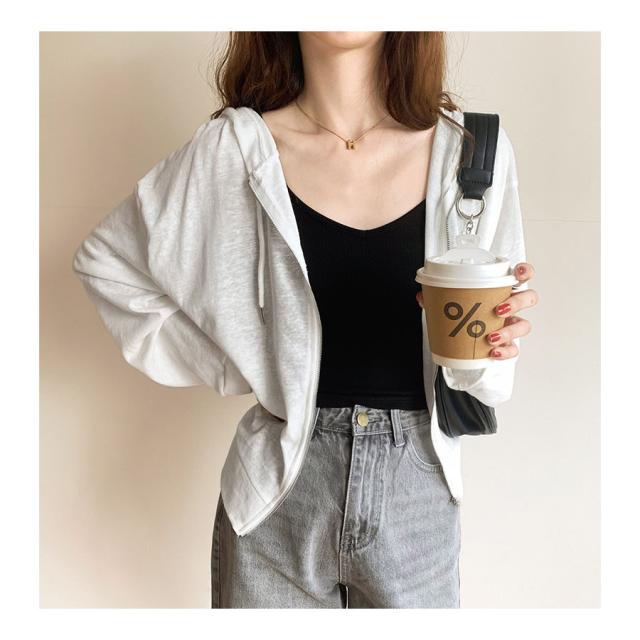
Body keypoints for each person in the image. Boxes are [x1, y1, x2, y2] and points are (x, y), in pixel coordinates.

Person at [72, 32, 538, 609]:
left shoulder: (472, 155)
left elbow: (485, 385)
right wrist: (237, 360)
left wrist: (492, 349)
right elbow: (108, 264)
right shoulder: (235, 149)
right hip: (276, 493)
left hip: (418, 493)